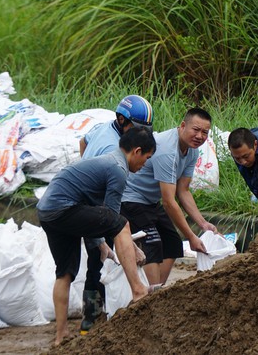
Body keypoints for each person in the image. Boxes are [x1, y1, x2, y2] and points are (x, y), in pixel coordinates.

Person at [37, 127, 157, 346]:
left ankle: (60, 336)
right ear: (137, 151)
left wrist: (102, 246)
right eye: (147, 158)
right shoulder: (118, 169)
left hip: (48, 212)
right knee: (122, 224)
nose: (145, 165)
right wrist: (133, 248)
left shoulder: (108, 160)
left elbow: (95, 215)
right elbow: (113, 221)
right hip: (64, 208)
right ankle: (139, 290)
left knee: (64, 273)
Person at [78, 94, 154, 335]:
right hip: (92, 205)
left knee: (100, 257)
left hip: (91, 198)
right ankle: (92, 318)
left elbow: (83, 140)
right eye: (137, 128)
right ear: (122, 120)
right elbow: (112, 211)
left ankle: (98, 314)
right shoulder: (114, 148)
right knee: (98, 259)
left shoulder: (103, 129)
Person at [121, 107, 218, 286]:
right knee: (153, 243)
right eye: (196, 130)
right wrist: (191, 236)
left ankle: (157, 290)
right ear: (182, 126)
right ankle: (150, 297)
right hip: (130, 198)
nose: (200, 136)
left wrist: (203, 224)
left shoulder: (192, 150)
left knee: (173, 243)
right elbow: (168, 201)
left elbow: (183, 191)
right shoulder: (166, 150)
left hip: (149, 201)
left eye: (205, 132)